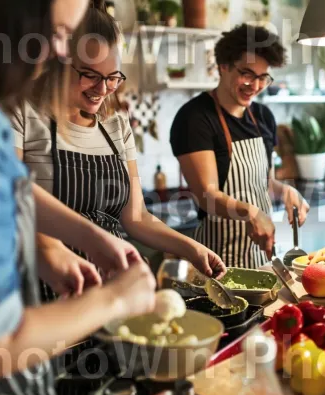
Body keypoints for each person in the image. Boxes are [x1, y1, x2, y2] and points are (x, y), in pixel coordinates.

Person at [0, 1, 157, 395]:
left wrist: (87, 236)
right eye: (59, 35)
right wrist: (116, 299)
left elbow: (10, 186)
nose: (60, 55)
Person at [15, 1, 226, 303]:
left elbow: (136, 215)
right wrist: (50, 249)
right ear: (60, 61)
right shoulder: (23, 114)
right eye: (89, 74)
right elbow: (12, 199)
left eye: (113, 77)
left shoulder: (116, 126)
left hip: (112, 290)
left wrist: (191, 248)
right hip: (49, 287)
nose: (103, 89)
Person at [170, 24, 310, 269]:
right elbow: (207, 196)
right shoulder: (195, 118)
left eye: (262, 77)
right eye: (247, 73)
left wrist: (286, 191)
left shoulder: (264, 116)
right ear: (223, 66)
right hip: (216, 262)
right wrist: (251, 213)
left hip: (261, 260)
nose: (255, 86)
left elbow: (264, 183)